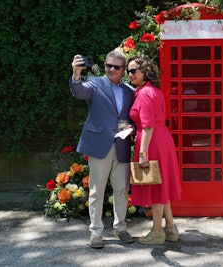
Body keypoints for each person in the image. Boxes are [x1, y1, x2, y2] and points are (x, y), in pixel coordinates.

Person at [70, 50, 136, 248]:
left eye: (116, 67)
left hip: (122, 145)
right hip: (100, 145)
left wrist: (131, 127)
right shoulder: (95, 83)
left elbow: (133, 117)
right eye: (108, 65)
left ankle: (121, 228)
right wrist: (76, 74)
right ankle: (95, 232)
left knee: (122, 190)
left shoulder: (130, 91)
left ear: (123, 70)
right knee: (96, 190)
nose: (111, 70)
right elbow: (79, 91)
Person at [127, 55, 181, 245]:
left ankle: (157, 231)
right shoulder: (154, 90)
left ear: (145, 71)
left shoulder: (143, 93)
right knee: (162, 184)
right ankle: (171, 228)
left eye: (133, 70)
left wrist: (142, 153)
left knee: (157, 187)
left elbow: (148, 125)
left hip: (152, 141)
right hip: (162, 139)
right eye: (128, 71)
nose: (130, 74)